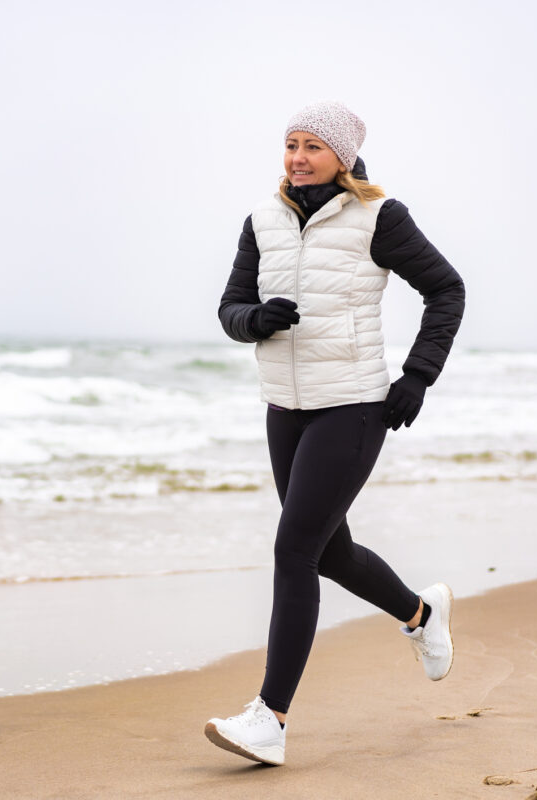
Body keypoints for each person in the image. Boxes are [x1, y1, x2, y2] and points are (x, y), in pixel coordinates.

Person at [204, 101, 466, 766]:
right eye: (290, 143)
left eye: (312, 146)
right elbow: (229, 307)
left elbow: (446, 290)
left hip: (352, 404)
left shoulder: (379, 217)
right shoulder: (261, 219)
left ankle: (271, 719)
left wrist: (417, 376)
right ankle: (420, 614)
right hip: (283, 407)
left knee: (294, 549)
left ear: (342, 157)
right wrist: (254, 319)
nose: (297, 156)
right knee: (325, 551)